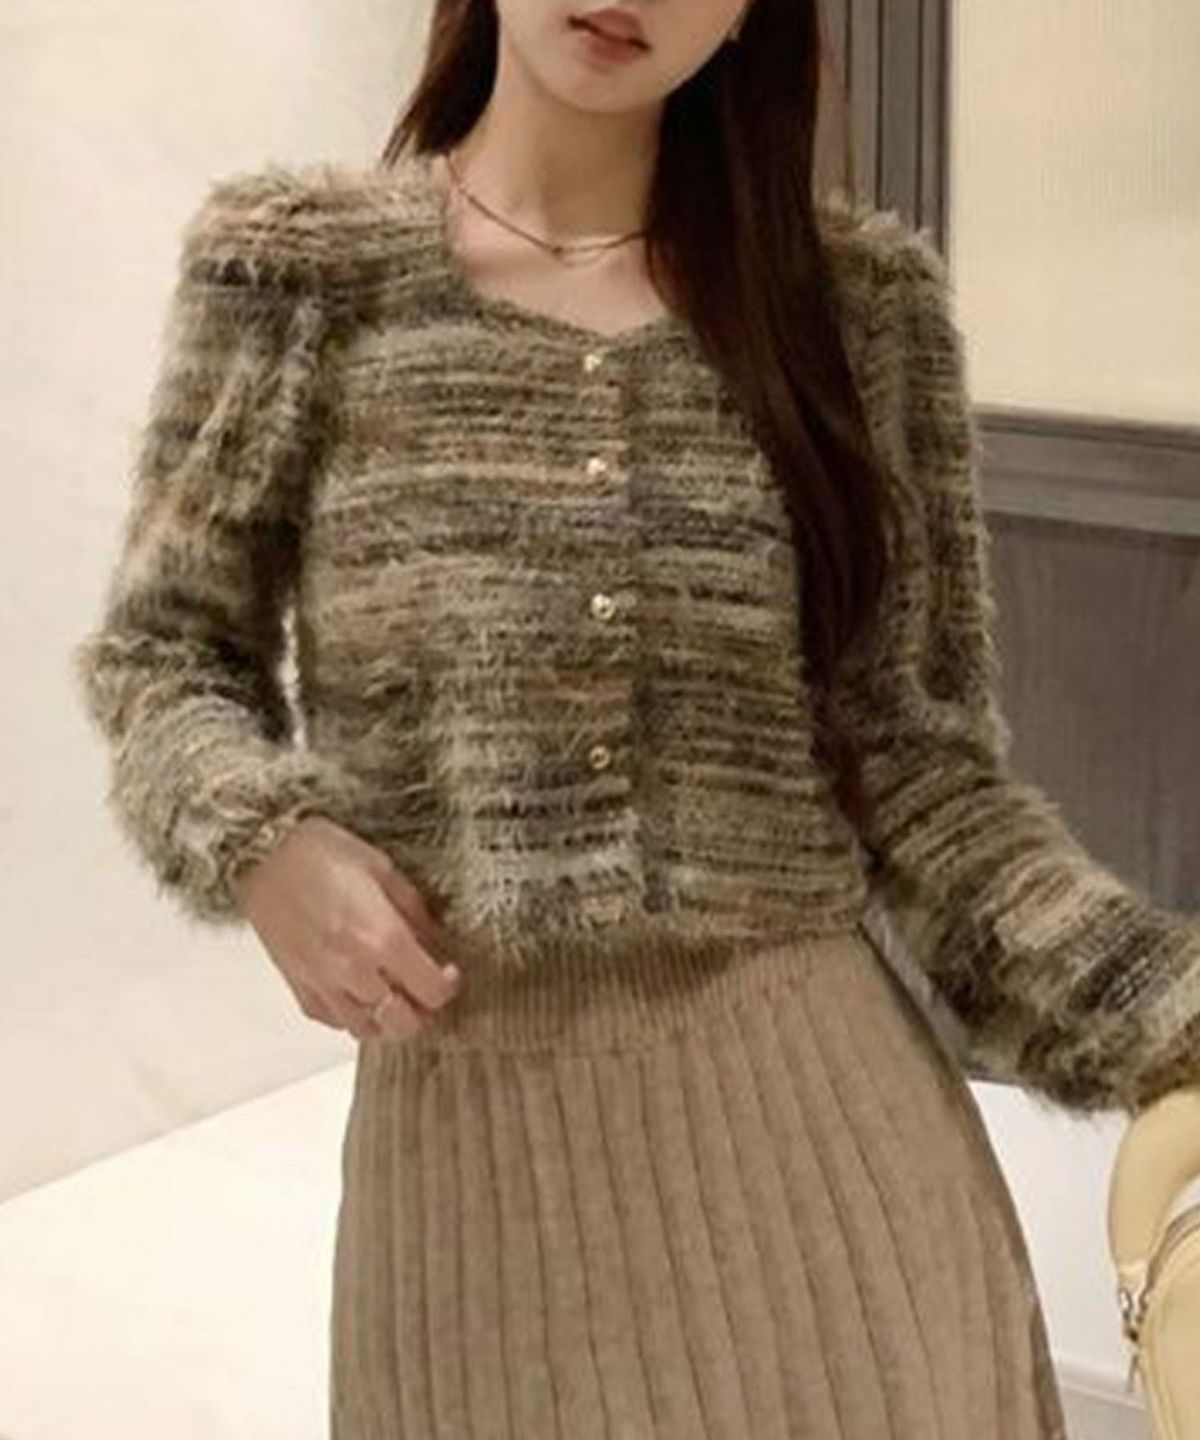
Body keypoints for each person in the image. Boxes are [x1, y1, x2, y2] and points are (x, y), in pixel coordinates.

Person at [72, 0, 1200, 1436]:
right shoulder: (300, 276)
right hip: (473, 1196)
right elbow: (163, 656)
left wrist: (1173, 1008)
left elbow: (926, 783)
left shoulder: (858, 307)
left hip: (835, 1189)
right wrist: (260, 841)